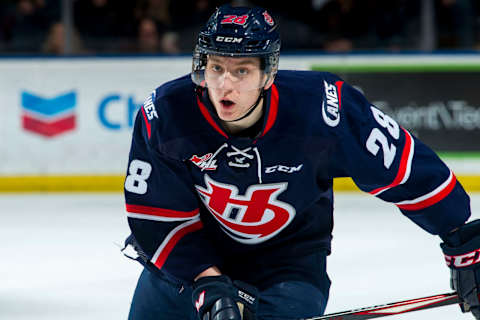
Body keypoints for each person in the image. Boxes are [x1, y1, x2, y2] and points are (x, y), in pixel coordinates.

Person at [122, 4, 480, 320]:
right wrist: (206, 281)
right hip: (188, 265)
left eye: (242, 71)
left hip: (287, 267)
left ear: (268, 74)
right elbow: (155, 216)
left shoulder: (323, 112)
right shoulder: (167, 114)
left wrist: (462, 240)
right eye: (216, 67)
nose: (224, 85)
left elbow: (406, 168)